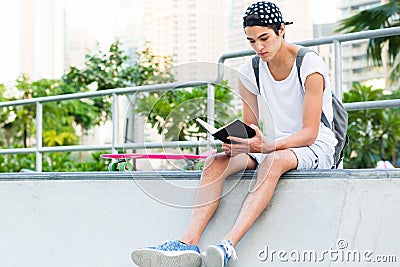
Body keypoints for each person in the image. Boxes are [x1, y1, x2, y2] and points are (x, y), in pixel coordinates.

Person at [131, 1, 338, 266]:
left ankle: (228, 244)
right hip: (272, 145)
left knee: (275, 160)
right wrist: (238, 143)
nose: (259, 47)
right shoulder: (249, 71)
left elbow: (309, 133)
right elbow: (252, 129)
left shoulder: (309, 64)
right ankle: (187, 244)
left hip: (314, 146)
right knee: (214, 162)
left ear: (282, 30)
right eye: (252, 41)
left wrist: (267, 146)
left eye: (264, 38)